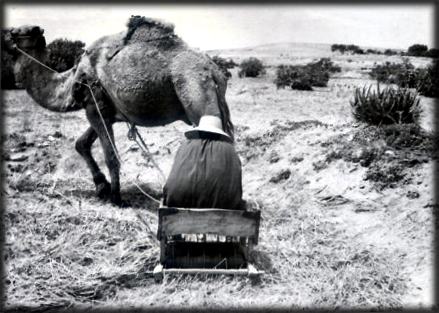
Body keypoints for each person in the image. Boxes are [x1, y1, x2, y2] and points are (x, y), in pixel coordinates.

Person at [163, 115, 243, 210]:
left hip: (178, 203)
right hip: (223, 207)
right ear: (220, 134)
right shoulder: (230, 150)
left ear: (198, 132)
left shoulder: (184, 146)